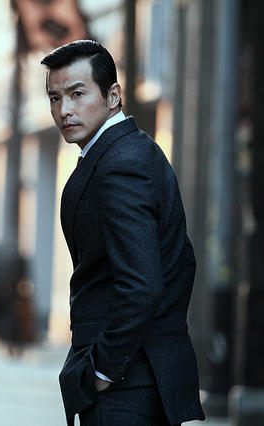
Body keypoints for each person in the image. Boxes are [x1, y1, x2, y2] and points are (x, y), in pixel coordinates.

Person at [41, 40, 205, 426]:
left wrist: (103, 371)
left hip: (128, 386)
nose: (64, 110)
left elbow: (142, 283)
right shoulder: (127, 152)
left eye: (77, 94)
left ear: (113, 95)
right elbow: (180, 261)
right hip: (138, 377)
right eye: (55, 98)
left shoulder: (121, 163)